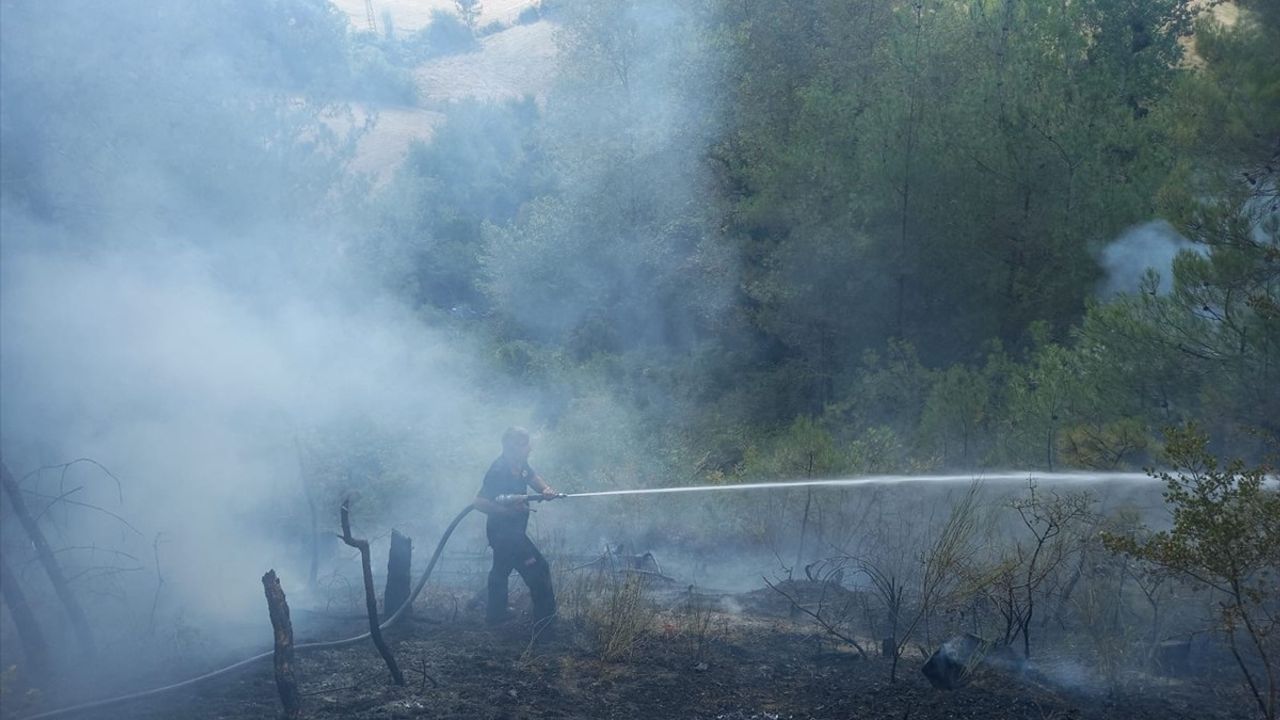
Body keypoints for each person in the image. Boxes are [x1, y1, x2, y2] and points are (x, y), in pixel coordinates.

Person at [473, 427, 558, 628]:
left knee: (501, 569)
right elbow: (479, 502)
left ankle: (495, 614)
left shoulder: (520, 464)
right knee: (539, 570)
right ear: (513, 447)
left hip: (514, 532)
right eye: (525, 444)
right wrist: (507, 511)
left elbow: (532, 477)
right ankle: (545, 626)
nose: (529, 448)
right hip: (504, 535)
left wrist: (546, 490)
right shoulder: (498, 471)